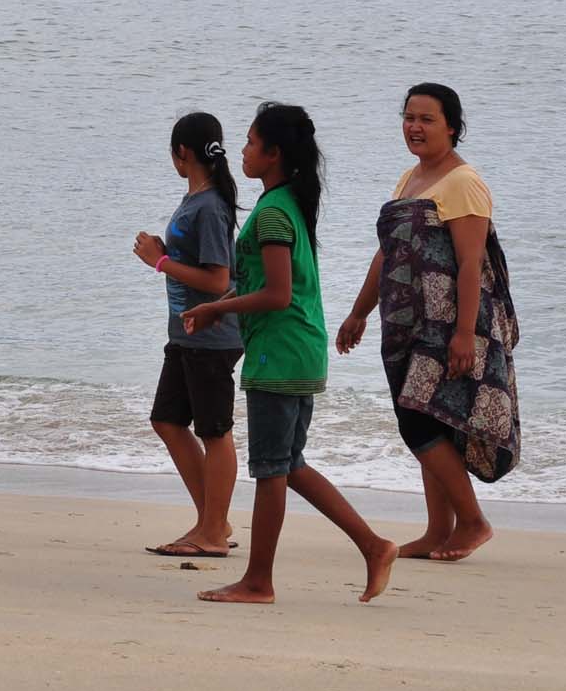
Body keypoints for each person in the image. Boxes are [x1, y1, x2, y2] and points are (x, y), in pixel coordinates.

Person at [182, 103, 397, 605]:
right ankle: (373, 545)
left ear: (274, 154)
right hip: (296, 350)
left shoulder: (276, 211)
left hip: (279, 353)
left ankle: (259, 581)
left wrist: (218, 307)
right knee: (286, 464)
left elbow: (278, 293)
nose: (242, 151)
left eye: (252, 143)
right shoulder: (287, 202)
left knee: (272, 469)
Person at [336, 83, 521, 564]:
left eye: (427, 119)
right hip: (406, 321)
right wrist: (360, 311)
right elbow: (388, 253)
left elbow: (469, 264)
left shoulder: (464, 183)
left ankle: (473, 521)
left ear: (453, 128)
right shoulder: (410, 178)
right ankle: (439, 530)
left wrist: (463, 334)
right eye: (409, 117)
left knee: (416, 419)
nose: (414, 127)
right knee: (431, 419)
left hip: (447, 325)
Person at [131, 112, 242, 558]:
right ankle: (212, 520)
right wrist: (167, 251)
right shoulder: (194, 198)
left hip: (213, 335)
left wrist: (157, 261)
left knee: (215, 431)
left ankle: (212, 531)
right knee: (167, 420)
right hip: (185, 333)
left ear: (182, 153)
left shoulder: (211, 205)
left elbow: (218, 281)